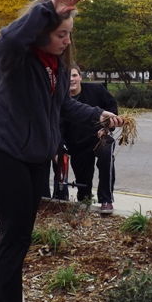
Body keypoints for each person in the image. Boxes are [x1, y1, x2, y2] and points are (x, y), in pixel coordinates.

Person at [0, 0, 123, 302]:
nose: (67, 41)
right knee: (14, 237)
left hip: (33, 159)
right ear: (42, 30)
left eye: (69, 33)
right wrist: (47, 10)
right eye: (61, 33)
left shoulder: (55, 64)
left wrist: (99, 114)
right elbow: (10, 37)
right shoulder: (16, 57)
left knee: (19, 235)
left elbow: (63, 108)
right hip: (6, 155)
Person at [58, 65, 119, 214]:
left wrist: (106, 128)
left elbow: (111, 106)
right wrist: (61, 147)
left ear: (80, 76)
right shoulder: (61, 100)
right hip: (77, 144)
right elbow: (59, 126)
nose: (71, 79)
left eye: (74, 75)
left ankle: (106, 199)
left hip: (98, 137)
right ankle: (84, 202)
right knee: (83, 183)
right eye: (67, 77)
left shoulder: (96, 90)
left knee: (106, 153)